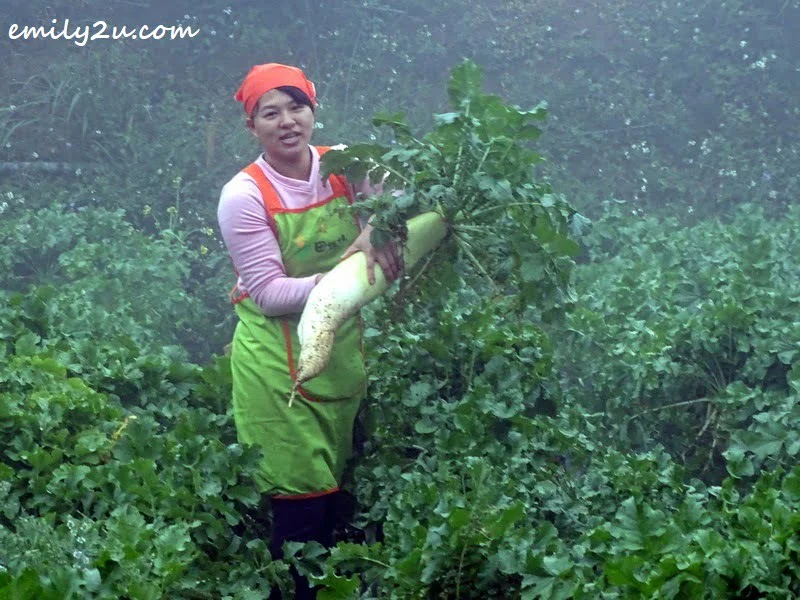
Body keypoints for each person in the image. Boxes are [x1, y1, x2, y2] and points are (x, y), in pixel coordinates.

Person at [217, 63, 402, 599]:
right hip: (277, 366)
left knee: (335, 503)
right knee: (300, 516)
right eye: (269, 113)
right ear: (253, 127)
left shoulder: (346, 165)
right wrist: (347, 270)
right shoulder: (243, 195)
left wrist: (376, 226)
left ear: (314, 110)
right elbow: (271, 294)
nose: (287, 122)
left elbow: (402, 199)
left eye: (296, 107)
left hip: (340, 354)